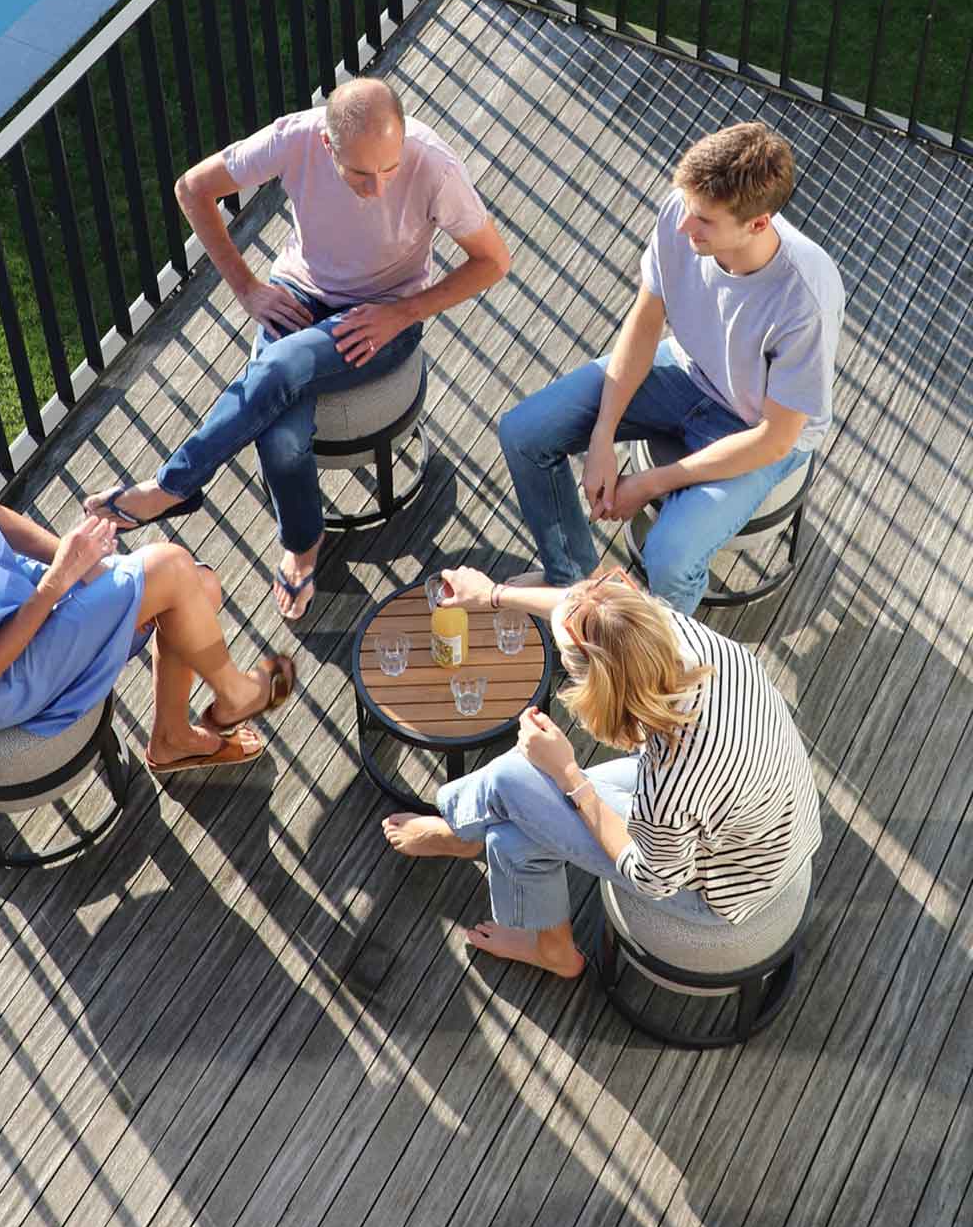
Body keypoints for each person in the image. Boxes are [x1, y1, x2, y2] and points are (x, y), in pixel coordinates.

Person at [84, 78, 511, 621]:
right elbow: (192, 188)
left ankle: (172, 487)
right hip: (300, 293)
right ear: (328, 145)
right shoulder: (296, 138)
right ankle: (303, 542)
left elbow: (493, 261)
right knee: (281, 437)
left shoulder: (435, 167)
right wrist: (246, 287)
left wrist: (404, 312)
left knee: (280, 368)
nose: (378, 187)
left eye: (389, 168)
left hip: (385, 315)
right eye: (361, 174)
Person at [0, 379, 296, 776]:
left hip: (20, 599)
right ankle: (233, 695)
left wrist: (78, 563)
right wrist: (58, 579)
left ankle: (172, 738)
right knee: (172, 571)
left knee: (197, 587)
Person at [382, 566, 822, 975]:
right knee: (511, 823)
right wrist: (493, 595)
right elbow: (587, 615)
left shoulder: (674, 778)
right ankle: (474, 840)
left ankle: (464, 835)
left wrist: (569, 775)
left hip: (721, 883)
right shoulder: (675, 635)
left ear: (599, 686)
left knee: (512, 782)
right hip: (754, 817)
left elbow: (650, 877)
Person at [498, 122, 844, 612]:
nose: (684, 227)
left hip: (756, 430)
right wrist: (603, 434)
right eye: (686, 207)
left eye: (703, 220)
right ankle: (579, 597)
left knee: (670, 557)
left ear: (758, 224)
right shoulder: (683, 211)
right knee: (524, 433)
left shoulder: (806, 297)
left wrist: (648, 483)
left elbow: (775, 439)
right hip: (685, 371)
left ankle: (663, 654)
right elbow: (645, 323)